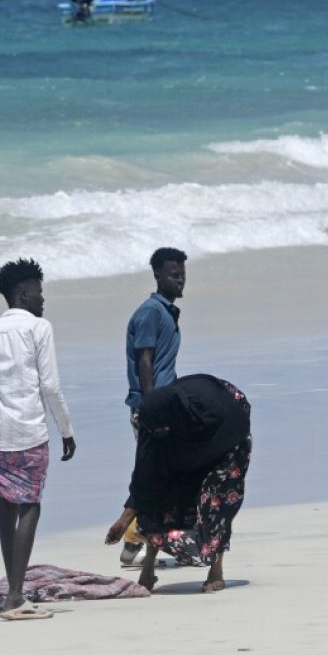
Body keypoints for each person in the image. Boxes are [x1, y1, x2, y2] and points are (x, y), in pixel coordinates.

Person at [0, 258, 76, 612]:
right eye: (39, 292)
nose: (43, 299)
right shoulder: (39, 328)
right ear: (22, 293)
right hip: (29, 430)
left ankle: (11, 593)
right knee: (30, 505)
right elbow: (51, 386)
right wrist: (66, 430)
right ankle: (15, 594)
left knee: (6, 503)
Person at [105, 374, 251, 593]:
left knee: (214, 500)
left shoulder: (218, 414)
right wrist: (124, 520)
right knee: (160, 490)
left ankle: (216, 570)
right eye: (155, 431)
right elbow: (145, 477)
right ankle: (147, 570)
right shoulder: (151, 422)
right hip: (184, 433)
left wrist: (195, 473)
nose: (158, 434)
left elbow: (235, 433)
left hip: (226, 437)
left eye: (161, 430)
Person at [119, 246, 187, 565]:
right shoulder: (150, 312)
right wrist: (152, 407)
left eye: (182, 274)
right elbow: (144, 361)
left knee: (159, 472)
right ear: (157, 275)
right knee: (156, 474)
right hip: (151, 408)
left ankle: (136, 541)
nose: (179, 280)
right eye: (173, 275)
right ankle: (134, 540)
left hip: (163, 404)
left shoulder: (167, 311)